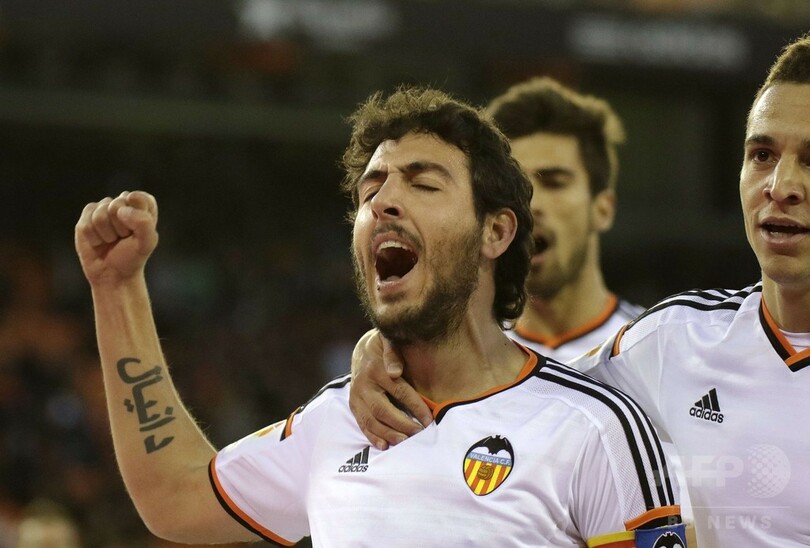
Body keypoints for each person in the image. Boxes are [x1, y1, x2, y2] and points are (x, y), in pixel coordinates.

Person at [75, 86, 685, 546]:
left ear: (495, 231)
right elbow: (174, 495)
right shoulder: (336, 420)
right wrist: (117, 287)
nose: (384, 201)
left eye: (423, 184)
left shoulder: (594, 428)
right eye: (370, 191)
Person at [348, 34, 810, 546]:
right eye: (762, 154)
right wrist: (384, 349)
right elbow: (534, 397)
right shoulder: (675, 340)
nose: (781, 185)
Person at [349, 76, 645, 447]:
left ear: (602, 208)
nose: (532, 203)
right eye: (519, 185)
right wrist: (382, 345)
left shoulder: (653, 351)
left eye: (554, 182)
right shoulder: (435, 356)